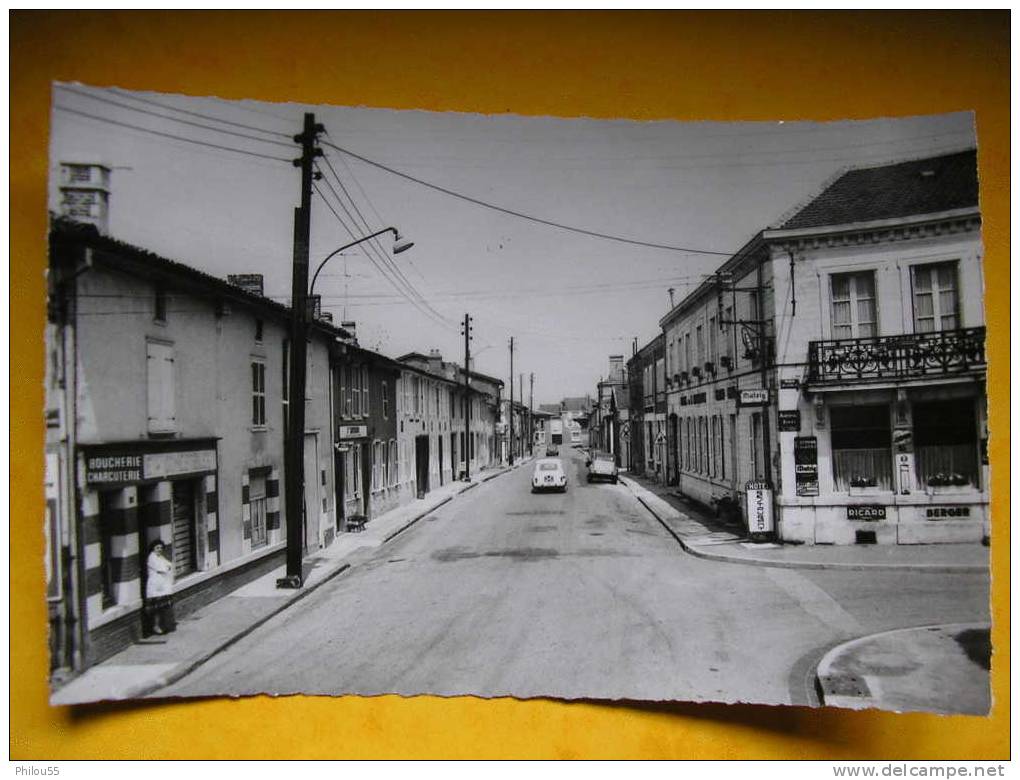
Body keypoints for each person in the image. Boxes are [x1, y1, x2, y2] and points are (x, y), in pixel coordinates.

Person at [144, 540, 176, 635]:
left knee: (162, 608)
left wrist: (168, 567)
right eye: (157, 548)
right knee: (156, 609)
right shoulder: (152, 558)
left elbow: (170, 565)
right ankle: (155, 626)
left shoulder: (160, 557)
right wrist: (168, 568)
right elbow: (162, 569)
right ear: (153, 549)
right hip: (155, 588)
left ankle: (162, 626)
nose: (159, 550)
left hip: (162, 587)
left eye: (161, 548)